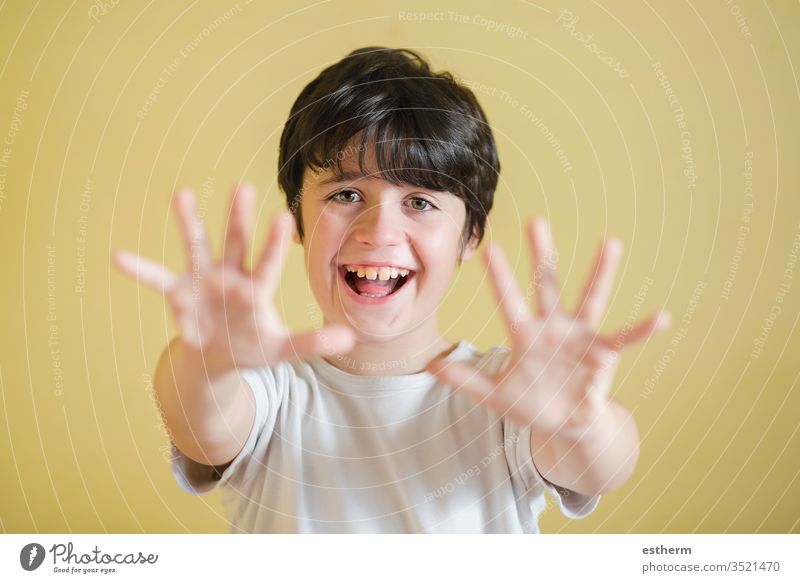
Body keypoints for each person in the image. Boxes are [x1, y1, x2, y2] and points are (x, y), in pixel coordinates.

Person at [112, 47, 670, 533]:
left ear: (470, 235)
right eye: (345, 194)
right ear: (299, 222)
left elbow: (602, 464)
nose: (379, 231)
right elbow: (198, 421)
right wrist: (207, 363)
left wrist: (579, 422)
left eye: (421, 202)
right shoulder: (266, 393)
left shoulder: (508, 395)